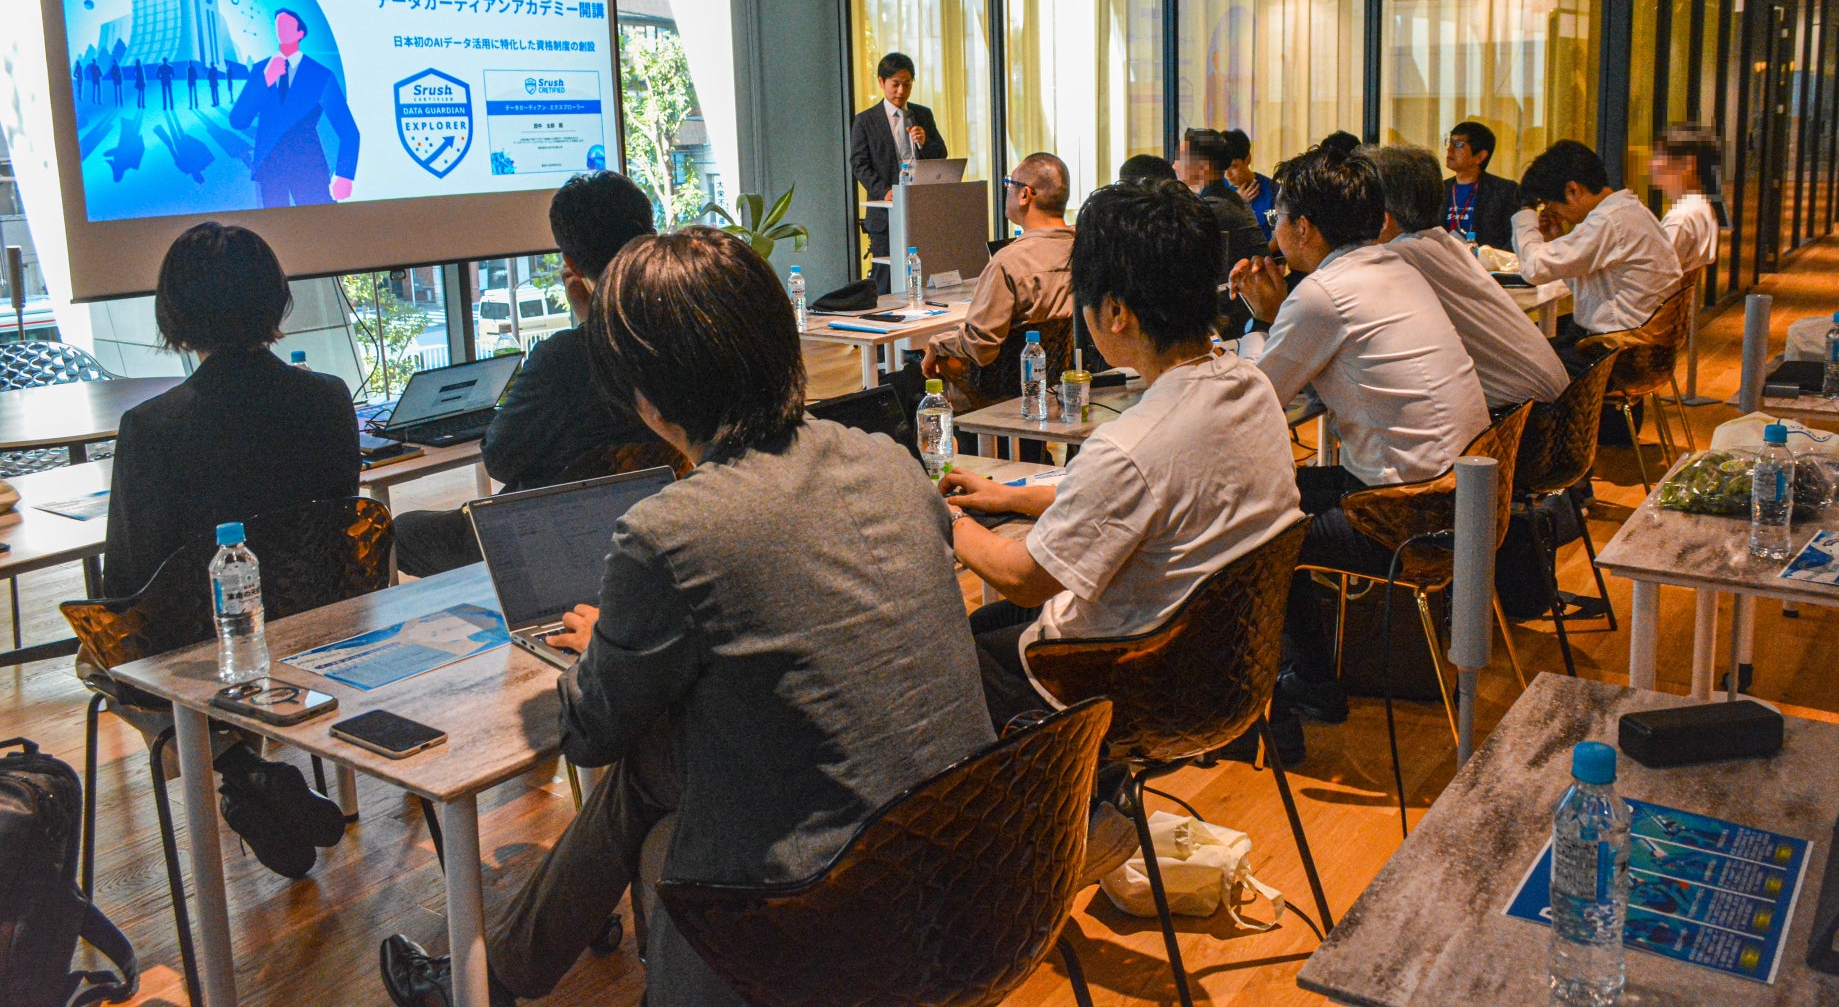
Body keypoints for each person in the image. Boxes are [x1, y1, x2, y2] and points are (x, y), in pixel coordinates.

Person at [379, 227, 994, 1007]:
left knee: (652, 793)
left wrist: (601, 649)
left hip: (829, 908)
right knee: (656, 773)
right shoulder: (888, 459)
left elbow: (588, 734)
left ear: (648, 397)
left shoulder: (673, 532)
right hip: (977, 861)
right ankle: (497, 977)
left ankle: (492, 981)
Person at [940, 178, 1302, 753]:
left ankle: (1073, 798)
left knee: (946, 656)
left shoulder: (1130, 445)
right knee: (983, 631)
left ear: (1114, 311)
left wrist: (945, 518)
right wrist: (1009, 496)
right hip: (1229, 671)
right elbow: (1143, 495)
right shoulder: (1249, 385)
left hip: (1127, 683)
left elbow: (1024, 579)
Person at [100, 222, 360, 878]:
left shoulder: (151, 428)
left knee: (99, 660)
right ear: (274, 299)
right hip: (322, 624)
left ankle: (239, 768)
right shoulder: (330, 399)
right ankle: (248, 773)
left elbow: (128, 582)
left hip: (210, 645)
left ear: (175, 313)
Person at [1230, 148, 1489, 716]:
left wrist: (1262, 320)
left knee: (1256, 523)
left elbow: (1253, 401)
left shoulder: (1321, 295)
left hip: (1408, 516)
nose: (1273, 230)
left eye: (1277, 218)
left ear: (1304, 227)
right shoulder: (1394, 267)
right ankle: (1309, 672)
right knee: (1280, 492)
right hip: (1467, 497)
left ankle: (1311, 684)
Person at [392, 171, 660, 577]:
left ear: (570, 262)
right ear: (652, 237)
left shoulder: (562, 359)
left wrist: (587, 327)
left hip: (552, 535)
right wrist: (592, 320)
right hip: (654, 520)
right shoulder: (683, 335)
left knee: (402, 532)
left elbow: (500, 459)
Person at [1367, 144, 1568, 410]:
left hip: (1523, 417)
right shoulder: (1446, 243)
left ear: (1383, 218)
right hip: (1555, 404)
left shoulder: (1398, 258)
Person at [1512, 140, 1683, 369]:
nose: (1555, 214)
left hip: (1617, 352)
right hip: (1640, 344)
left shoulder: (1608, 221)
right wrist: (1555, 240)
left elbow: (1534, 269)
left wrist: (1526, 213)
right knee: (1525, 352)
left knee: (1513, 365)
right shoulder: (1627, 209)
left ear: (1572, 190)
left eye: (1551, 205)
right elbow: (1593, 285)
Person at [921, 152, 1072, 395]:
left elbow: (980, 347)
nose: (1007, 190)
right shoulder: (1087, 249)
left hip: (1003, 392)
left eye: (1009, 183)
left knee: (904, 382)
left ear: (1025, 195)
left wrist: (937, 344)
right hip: (1065, 385)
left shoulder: (1008, 263)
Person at [230, 8, 360, 208]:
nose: (281, 28)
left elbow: (348, 130)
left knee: (319, 223)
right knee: (275, 226)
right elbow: (238, 120)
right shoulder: (262, 70)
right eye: (279, 25)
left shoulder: (319, 74)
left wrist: (345, 174)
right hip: (270, 167)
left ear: (300, 33)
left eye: (287, 25)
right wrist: (266, 79)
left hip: (308, 166)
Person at [848, 51, 946, 293]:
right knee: (886, 278)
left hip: (921, 208)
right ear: (881, 82)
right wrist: (884, 191)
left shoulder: (922, 114)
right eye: (895, 84)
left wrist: (925, 142)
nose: (901, 91)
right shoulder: (865, 120)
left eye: (907, 84)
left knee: (925, 272)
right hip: (886, 213)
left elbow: (941, 154)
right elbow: (859, 164)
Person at [1175, 126, 1266, 263]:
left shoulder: (1213, 208)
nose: (1175, 166)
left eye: (1181, 159)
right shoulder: (1227, 198)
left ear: (1203, 166)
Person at [1443, 120, 1524, 251]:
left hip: (1486, 262)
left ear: (1480, 156)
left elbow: (1513, 240)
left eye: (1458, 144)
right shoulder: (1439, 189)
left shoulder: (1505, 191)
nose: (1450, 149)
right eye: (1450, 142)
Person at [1652, 124, 1721, 275]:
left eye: (1658, 155)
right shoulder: (1701, 206)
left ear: (1688, 164)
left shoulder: (1680, 218)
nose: (1652, 163)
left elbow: (1653, 278)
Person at [1223, 128, 1274, 232]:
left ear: (1248, 160)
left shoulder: (1272, 191)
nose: (1227, 174)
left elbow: (1279, 236)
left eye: (1233, 166)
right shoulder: (1214, 190)